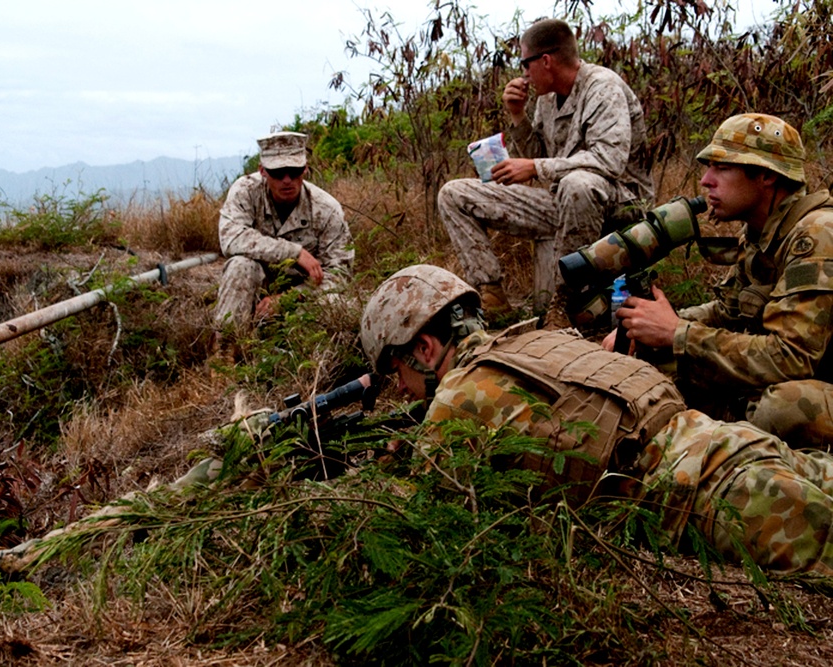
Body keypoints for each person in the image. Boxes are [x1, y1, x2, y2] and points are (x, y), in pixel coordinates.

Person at [360, 264, 833, 575]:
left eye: (397, 370)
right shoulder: (542, 340)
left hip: (712, 497)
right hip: (735, 443)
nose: (399, 389)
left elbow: (417, 516)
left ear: (424, 349)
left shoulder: (455, 399)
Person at [604, 113, 833, 444]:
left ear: (766, 176)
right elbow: (729, 310)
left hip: (811, 383)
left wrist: (677, 333)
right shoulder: (761, 232)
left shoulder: (817, 235)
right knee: (664, 360)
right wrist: (648, 325)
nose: (705, 180)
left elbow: (791, 358)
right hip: (805, 377)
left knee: (783, 407)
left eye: (722, 168)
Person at [437, 18, 653, 318]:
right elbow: (540, 153)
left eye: (526, 64)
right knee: (453, 194)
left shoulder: (603, 88)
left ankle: (566, 303)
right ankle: (491, 294)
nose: (524, 74)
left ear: (546, 61)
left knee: (578, 185)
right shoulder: (548, 99)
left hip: (620, 204)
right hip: (564, 200)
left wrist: (536, 168)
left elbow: (609, 161)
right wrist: (517, 116)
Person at [214, 131, 354, 336]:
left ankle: (305, 357)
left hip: (304, 294)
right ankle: (225, 350)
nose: (287, 180)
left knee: (334, 302)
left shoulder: (327, 209)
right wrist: (293, 252)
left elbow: (340, 273)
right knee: (240, 266)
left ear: (305, 169)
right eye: (278, 173)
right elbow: (231, 238)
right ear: (263, 171)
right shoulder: (245, 191)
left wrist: (287, 298)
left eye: (294, 171)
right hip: (258, 286)